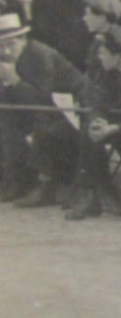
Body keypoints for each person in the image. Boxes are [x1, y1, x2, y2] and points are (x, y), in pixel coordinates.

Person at [0, 11, 87, 206]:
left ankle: (45, 186)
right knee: (4, 118)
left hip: (68, 109)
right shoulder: (7, 59)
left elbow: (44, 99)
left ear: (23, 38)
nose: (6, 51)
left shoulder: (40, 55)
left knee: (41, 130)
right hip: (33, 108)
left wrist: (14, 81)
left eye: (10, 43)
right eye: (1, 45)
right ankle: (16, 178)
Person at [65, 24, 121, 221]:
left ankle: (105, 194)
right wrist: (97, 123)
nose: (99, 58)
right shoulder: (106, 72)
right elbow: (95, 100)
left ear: (118, 56)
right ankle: (96, 193)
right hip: (116, 126)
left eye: (103, 53)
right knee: (90, 132)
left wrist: (113, 128)